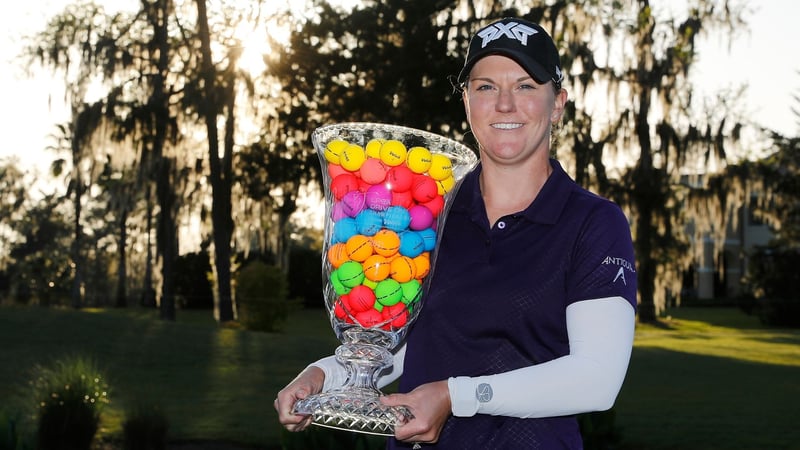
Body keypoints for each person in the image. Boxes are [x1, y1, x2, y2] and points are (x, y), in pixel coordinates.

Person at [275, 17, 637, 449]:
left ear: (557, 103)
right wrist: (326, 374)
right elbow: (415, 341)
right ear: (465, 101)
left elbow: (596, 379)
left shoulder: (592, 222)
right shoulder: (425, 210)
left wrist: (455, 395)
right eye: (485, 87)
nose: (505, 104)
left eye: (525, 86)